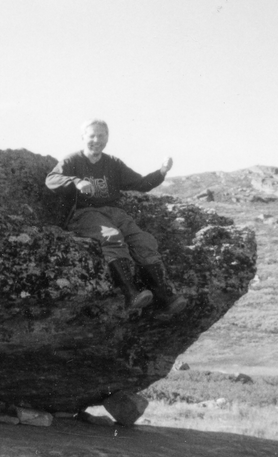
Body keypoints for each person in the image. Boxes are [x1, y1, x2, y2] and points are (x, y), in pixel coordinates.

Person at [46, 119, 188, 316]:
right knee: (112, 237)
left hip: (114, 211)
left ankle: (165, 295)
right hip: (84, 213)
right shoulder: (72, 161)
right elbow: (51, 179)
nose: (96, 140)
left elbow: (140, 183)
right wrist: (75, 181)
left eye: (101, 136)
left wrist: (162, 172)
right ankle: (131, 293)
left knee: (142, 240)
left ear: (107, 138)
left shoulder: (113, 163)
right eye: (92, 136)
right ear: (83, 138)